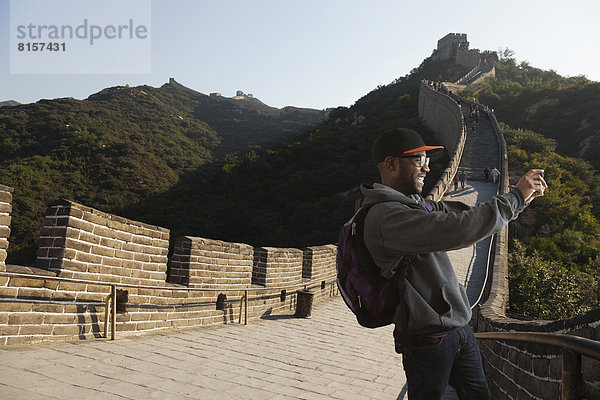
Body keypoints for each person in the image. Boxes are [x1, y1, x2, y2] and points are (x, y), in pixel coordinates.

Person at [360, 128, 547, 400]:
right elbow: (458, 229)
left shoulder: (414, 204)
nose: (427, 166)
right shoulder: (385, 217)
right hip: (427, 340)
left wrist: (520, 200)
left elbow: (464, 214)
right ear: (391, 163)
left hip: (459, 329)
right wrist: (514, 198)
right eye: (418, 160)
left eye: (427, 159)